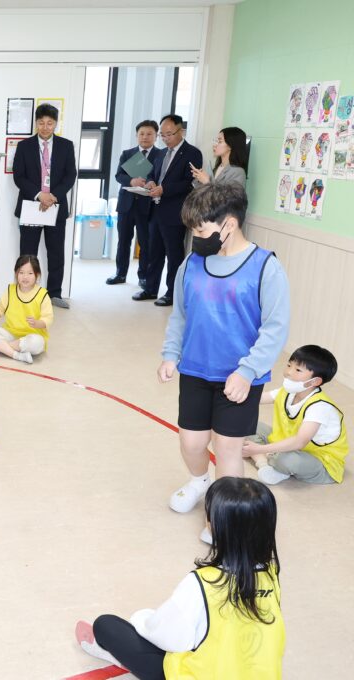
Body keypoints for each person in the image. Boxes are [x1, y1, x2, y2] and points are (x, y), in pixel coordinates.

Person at [157, 183, 289, 542]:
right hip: (197, 370)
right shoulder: (192, 264)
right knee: (192, 444)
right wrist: (171, 353)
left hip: (240, 378)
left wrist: (247, 372)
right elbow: (180, 316)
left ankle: (222, 519)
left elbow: (275, 329)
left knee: (229, 450)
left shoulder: (266, 267)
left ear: (228, 224)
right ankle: (200, 481)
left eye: (201, 230)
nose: (196, 238)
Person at [75, 477, 285, 680]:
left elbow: (169, 638)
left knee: (106, 625)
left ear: (215, 526)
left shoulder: (203, 582)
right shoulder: (271, 574)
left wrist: (143, 619)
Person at [243, 345, 347, 486]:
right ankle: (264, 465)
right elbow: (256, 400)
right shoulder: (288, 391)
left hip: (320, 461)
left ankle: (268, 458)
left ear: (315, 381)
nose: (288, 373)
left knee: (286, 460)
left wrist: (259, 449)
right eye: (289, 365)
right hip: (288, 445)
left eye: (298, 370)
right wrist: (235, 392)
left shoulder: (319, 407)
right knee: (245, 425)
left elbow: (299, 442)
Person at [133, 114, 203, 307]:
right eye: (162, 135)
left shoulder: (192, 153)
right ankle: (150, 288)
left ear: (181, 131)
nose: (165, 138)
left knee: (173, 255)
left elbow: (189, 183)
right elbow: (152, 174)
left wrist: (164, 189)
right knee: (153, 251)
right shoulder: (162, 154)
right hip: (155, 209)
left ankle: (172, 293)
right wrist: (151, 182)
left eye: (169, 134)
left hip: (175, 212)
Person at [12, 103, 77, 309]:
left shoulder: (66, 145)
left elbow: (70, 175)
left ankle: (54, 293)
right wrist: (40, 195)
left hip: (55, 207)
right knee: (28, 253)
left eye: (50, 123)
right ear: (36, 123)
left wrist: (53, 196)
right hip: (32, 205)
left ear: (56, 124)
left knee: (56, 251)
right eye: (41, 123)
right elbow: (19, 177)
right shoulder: (24, 146)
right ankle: (25, 292)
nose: (45, 127)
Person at [108, 120, 162, 287]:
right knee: (123, 241)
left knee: (146, 243)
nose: (145, 137)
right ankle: (120, 274)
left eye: (149, 134)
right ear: (136, 135)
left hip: (148, 206)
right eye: (141, 134)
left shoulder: (161, 155)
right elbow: (118, 175)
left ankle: (143, 276)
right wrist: (131, 180)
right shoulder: (127, 153)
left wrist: (151, 182)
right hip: (126, 204)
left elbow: (161, 177)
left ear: (156, 136)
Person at [0, 255, 52, 365]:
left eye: (30, 273)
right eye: (21, 272)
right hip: (10, 333)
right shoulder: (10, 290)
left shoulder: (42, 294)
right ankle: (16, 355)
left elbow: (48, 319)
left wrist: (37, 323)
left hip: (32, 335)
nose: (25, 277)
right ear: (16, 273)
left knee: (36, 343)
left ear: (37, 275)